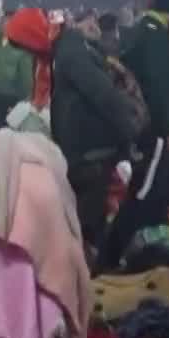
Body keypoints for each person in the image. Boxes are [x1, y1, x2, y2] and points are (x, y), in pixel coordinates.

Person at [102, 0, 169, 270]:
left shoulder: (148, 32)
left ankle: (141, 253)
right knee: (142, 195)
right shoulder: (154, 37)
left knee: (151, 193)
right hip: (155, 131)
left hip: (151, 127)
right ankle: (114, 258)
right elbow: (158, 86)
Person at [51, 13, 145, 256]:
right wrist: (130, 128)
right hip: (87, 147)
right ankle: (84, 272)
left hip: (87, 144)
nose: (93, 26)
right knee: (88, 217)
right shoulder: (76, 53)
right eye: (86, 22)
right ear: (72, 25)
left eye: (94, 20)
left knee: (92, 212)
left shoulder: (88, 51)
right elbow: (103, 95)